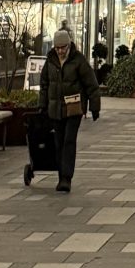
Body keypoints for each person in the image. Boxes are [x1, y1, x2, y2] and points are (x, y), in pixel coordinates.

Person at [37, 24, 101, 193]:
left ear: (69, 45)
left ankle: (66, 177)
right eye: (57, 48)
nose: (59, 51)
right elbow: (44, 84)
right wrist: (42, 105)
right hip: (55, 108)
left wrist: (94, 107)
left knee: (69, 141)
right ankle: (61, 175)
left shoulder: (78, 60)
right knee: (58, 142)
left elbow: (91, 84)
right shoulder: (50, 60)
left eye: (62, 48)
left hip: (74, 108)